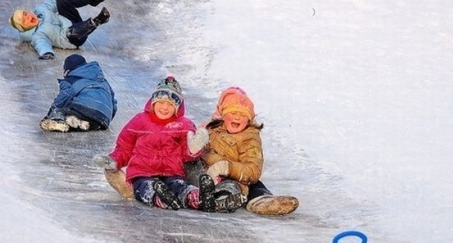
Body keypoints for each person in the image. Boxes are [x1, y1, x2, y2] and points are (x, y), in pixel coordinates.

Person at [92, 76, 214, 211]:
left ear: (177, 107)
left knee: (179, 186)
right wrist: (114, 160)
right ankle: (158, 197)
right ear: (153, 102)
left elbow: (187, 157)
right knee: (146, 187)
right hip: (143, 173)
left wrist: (193, 149)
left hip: (172, 173)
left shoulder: (183, 125)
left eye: (170, 104)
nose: (165, 108)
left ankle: (195, 197)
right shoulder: (139, 121)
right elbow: (125, 148)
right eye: (161, 102)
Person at [187, 87, 299, 215]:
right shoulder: (212, 129)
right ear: (223, 114)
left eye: (243, 115)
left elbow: (253, 170)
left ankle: (227, 200)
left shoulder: (249, 137)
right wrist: (194, 150)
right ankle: (194, 194)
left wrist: (227, 167)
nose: (238, 118)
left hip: (233, 179)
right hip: (205, 176)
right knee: (190, 168)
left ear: (249, 119)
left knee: (240, 186)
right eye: (233, 113)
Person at [9, 0, 110, 59]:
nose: (27, 17)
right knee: (70, 32)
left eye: (25, 14)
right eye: (24, 20)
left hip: (70, 21)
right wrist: (46, 53)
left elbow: (52, 1)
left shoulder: (41, 11)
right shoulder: (37, 35)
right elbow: (42, 45)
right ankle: (99, 20)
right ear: (24, 28)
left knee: (60, 1)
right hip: (73, 38)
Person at [40, 54, 117, 132]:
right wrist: (107, 117)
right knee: (88, 119)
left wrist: (50, 113)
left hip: (84, 107)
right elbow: (113, 102)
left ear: (67, 71)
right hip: (103, 117)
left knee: (60, 111)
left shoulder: (71, 80)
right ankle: (83, 123)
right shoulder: (102, 80)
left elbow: (63, 98)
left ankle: (59, 119)